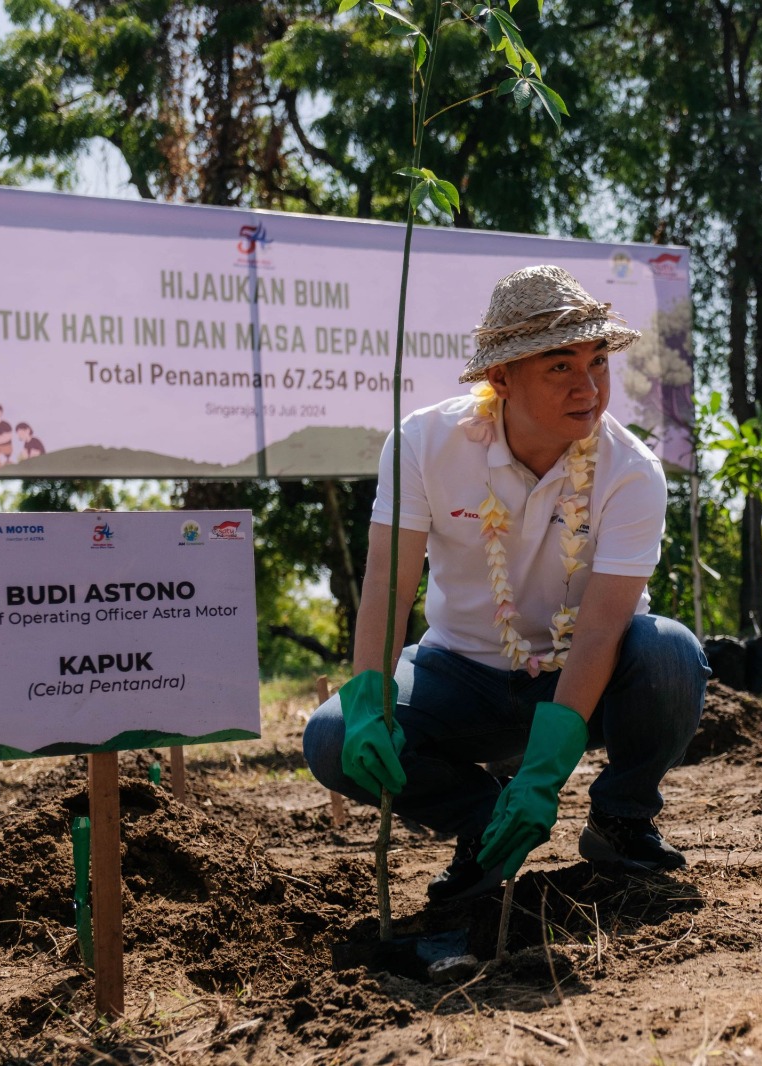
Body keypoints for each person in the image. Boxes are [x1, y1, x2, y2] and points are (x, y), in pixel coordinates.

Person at [303, 264, 709, 903]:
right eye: (560, 367)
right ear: (501, 378)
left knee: (670, 653)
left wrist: (545, 773)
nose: (589, 387)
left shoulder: (633, 473)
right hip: (458, 672)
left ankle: (621, 820)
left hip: (590, 675)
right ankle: (483, 824)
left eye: (598, 362)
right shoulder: (424, 442)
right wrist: (367, 700)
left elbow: (603, 627)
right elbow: (387, 581)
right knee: (330, 738)